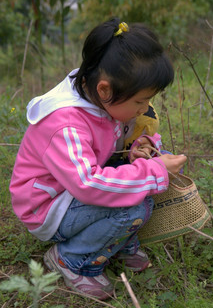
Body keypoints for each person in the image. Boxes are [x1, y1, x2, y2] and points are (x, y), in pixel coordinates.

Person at [9, 18, 187, 300]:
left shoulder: (102, 95)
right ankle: (70, 259)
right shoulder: (65, 124)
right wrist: (151, 171)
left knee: (140, 189)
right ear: (105, 89)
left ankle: (112, 243)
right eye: (140, 101)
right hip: (49, 207)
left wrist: (137, 150)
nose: (145, 108)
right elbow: (88, 184)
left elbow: (109, 144)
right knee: (132, 207)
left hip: (71, 187)